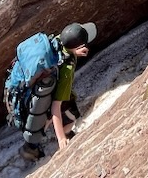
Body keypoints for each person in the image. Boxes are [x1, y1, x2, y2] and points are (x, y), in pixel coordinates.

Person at [15, 22, 97, 161]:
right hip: (46, 95)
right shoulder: (67, 69)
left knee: (43, 110)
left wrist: (73, 51)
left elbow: (65, 49)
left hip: (27, 86)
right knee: (70, 115)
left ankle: (31, 146)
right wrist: (61, 139)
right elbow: (56, 107)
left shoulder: (57, 40)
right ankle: (32, 148)